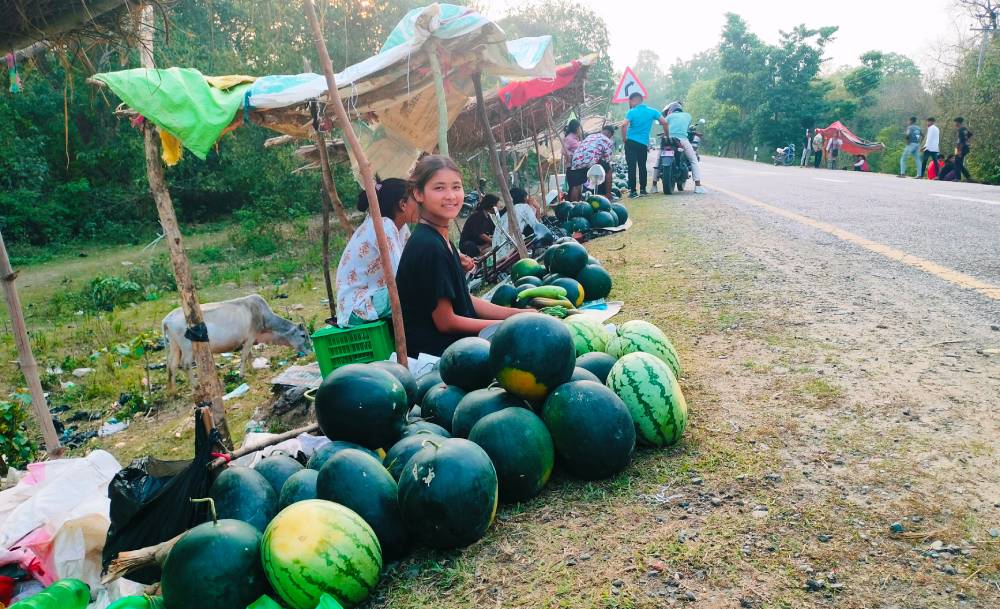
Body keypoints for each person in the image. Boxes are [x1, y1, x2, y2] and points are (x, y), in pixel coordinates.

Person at [395, 155, 522, 356]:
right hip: (441, 357)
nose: (451, 196)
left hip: (460, 346)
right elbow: (446, 322)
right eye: (439, 188)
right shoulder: (428, 246)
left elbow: (465, 299)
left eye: (456, 187)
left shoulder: (440, 239)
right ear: (418, 194)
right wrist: (509, 324)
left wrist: (518, 315)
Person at [335, 178, 419, 327]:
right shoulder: (383, 226)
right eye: (416, 200)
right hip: (357, 308)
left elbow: (416, 259)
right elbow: (402, 275)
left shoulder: (401, 228)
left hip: (375, 297)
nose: (421, 204)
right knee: (421, 291)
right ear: (403, 204)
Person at [621, 92, 670, 198]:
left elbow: (624, 125)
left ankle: (633, 191)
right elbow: (665, 123)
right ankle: (643, 190)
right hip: (643, 144)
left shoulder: (631, 112)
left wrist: (624, 139)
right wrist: (666, 136)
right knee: (642, 166)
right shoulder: (652, 111)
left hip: (631, 142)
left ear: (633, 100)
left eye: (630, 102)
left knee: (631, 167)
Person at [663, 101, 706, 193]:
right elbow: (686, 127)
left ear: (671, 110)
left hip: (669, 140)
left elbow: (665, 125)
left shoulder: (669, 117)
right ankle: (698, 186)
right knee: (693, 159)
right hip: (682, 140)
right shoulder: (687, 116)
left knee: (659, 159)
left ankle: (654, 185)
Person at [568, 125, 616, 201]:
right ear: (610, 134)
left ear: (602, 131)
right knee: (609, 170)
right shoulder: (607, 140)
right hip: (591, 159)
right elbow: (607, 159)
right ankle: (608, 196)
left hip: (576, 160)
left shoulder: (590, 136)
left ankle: (574, 205)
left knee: (576, 185)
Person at [491, 187, 540, 258]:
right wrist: (537, 207)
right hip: (509, 249)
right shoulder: (524, 207)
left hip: (497, 252)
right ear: (524, 198)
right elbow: (537, 227)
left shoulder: (508, 211)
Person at [458, 193, 498, 257]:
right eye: (495, 205)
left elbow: (494, 231)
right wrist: (494, 241)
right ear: (491, 205)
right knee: (471, 246)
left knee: (494, 240)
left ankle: (481, 248)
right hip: (468, 244)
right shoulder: (477, 216)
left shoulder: (487, 216)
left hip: (479, 243)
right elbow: (480, 234)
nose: (497, 207)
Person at [953, 117, 973, 181]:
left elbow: (961, 141)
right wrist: (968, 142)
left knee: (957, 162)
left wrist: (959, 151)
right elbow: (970, 135)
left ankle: (958, 178)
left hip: (960, 148)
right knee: (959, 163)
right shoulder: (964, 129)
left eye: (955, 122)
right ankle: (968, 177)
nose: (955, 124)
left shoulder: (961, 130)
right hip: (963, 148)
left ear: (958, 123)